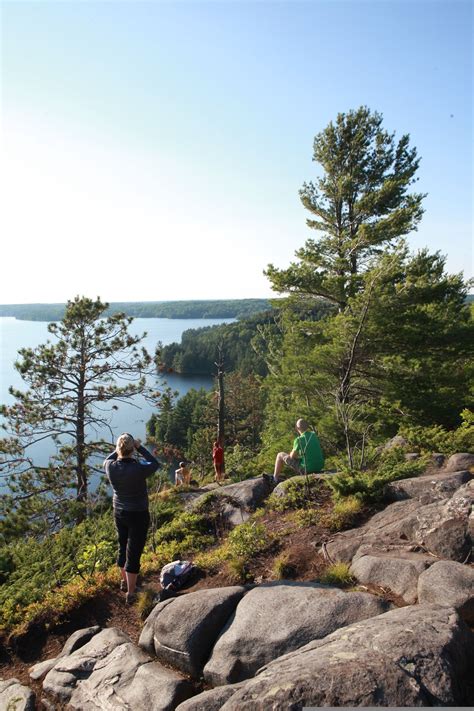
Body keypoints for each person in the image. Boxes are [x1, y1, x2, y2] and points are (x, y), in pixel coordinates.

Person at [104, 433, 159, 604]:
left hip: (119, 512)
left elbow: (108, 458)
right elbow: (155, 463)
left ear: (118, 449)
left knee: (123, 546)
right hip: (138, 514)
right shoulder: (138, 468)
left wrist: (119, 449)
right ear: (131, 450)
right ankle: (131, 592)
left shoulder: (110, 466)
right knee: (133, 553)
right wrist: (139, 447)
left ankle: (124, 582)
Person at [268, 418, 324, 484]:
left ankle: (274, 479)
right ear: (307, 426)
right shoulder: (314, 435)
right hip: (319, 466)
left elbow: (292, 456)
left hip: (307, 469)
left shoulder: (299, 439)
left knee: (280, 455)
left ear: (297, 428)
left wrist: (291, 453)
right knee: (302, 459)